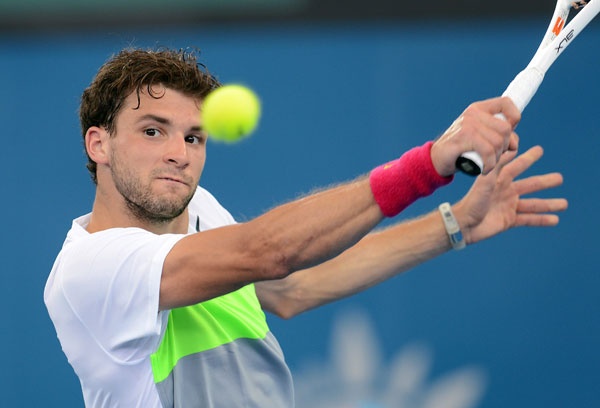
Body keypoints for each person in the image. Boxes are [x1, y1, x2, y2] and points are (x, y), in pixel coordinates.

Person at [44, 47, 567, 408]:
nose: (179, 154)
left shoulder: (196, 208)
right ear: (99, 144)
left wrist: (455, 224)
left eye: (194, 137)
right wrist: (427, 165)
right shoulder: (91, 269)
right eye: (153, 131)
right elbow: (267, 252)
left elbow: (292, 286)